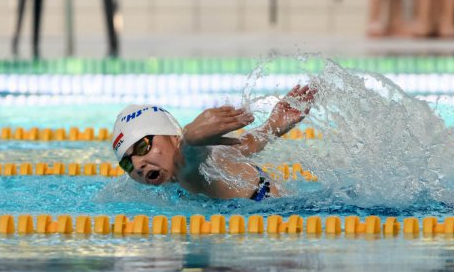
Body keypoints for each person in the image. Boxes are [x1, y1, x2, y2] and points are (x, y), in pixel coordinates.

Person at [111, 85, 316, 201]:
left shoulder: (186, 167)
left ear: (173, 137)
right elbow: (246, 145)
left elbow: (189, 155)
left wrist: (190, 136)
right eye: (127, 163)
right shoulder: (206, 157)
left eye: (141, 146)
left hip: (283, 218)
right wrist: (274, 124)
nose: (138, 165)